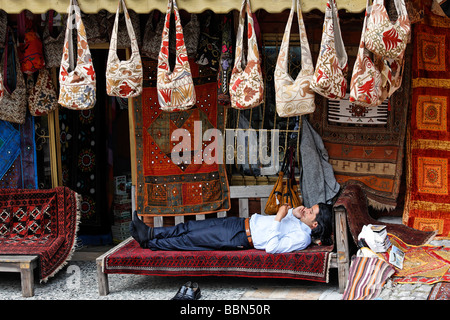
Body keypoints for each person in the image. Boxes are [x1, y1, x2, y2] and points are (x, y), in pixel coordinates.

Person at [129, 202, 333, 254]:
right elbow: (279, 223)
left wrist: (280, 218)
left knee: (190, 239)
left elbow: (272, 247)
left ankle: (150, 241)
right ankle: (148, 232)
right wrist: (292, 214)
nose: (306, 209)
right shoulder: (298, 221)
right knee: (190, 227)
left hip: (240, 237)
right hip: (240, 223)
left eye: (310, 211)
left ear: (315, 224)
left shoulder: (302, 238)